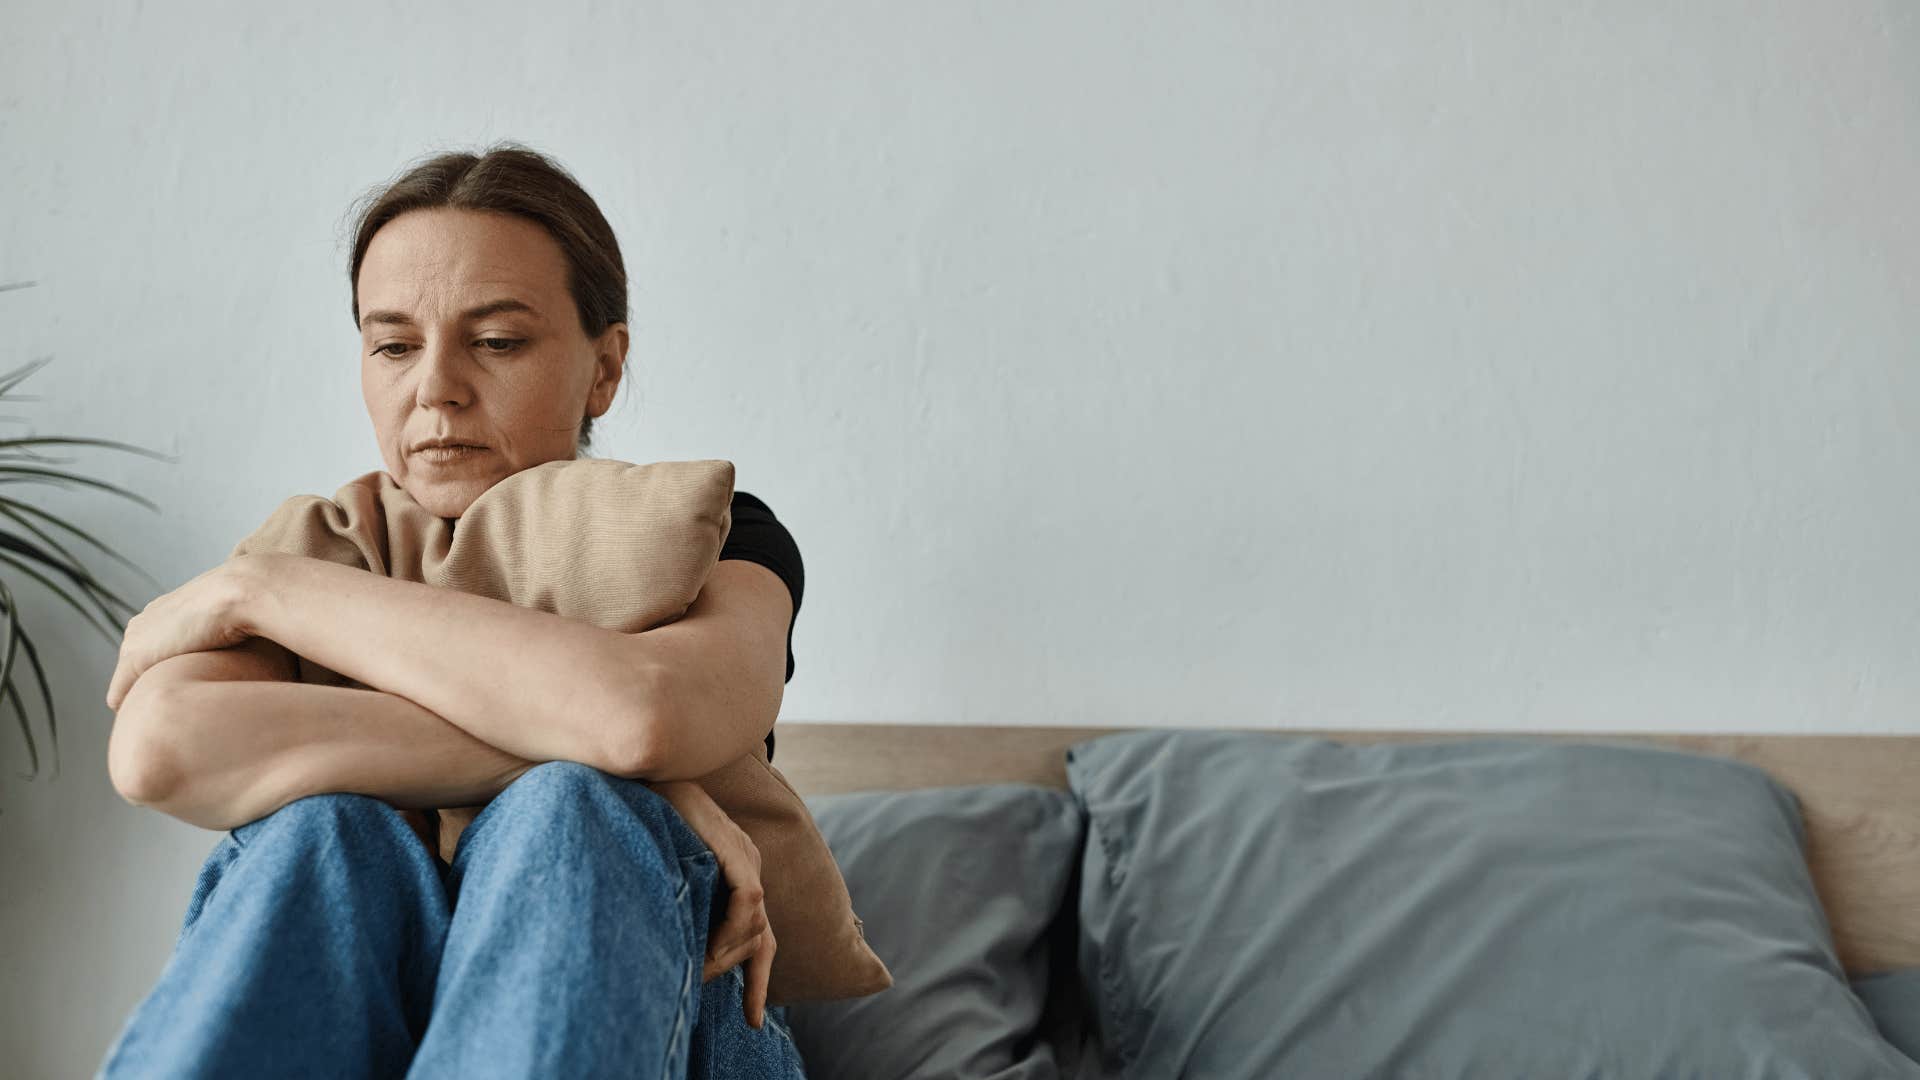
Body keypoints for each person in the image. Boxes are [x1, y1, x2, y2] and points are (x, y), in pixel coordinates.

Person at [96, 141, 809, 1078]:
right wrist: (666, 777)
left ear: (604, 367)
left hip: (673, 1027)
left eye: (498, 341)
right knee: (327, 829)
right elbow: (160, 747)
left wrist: (267, 593)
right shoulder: (327, 539)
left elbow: (642, 715)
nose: (434, 387)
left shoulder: (714, 535)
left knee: (575, 808)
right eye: (392, 344)